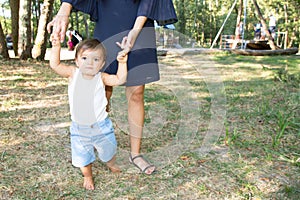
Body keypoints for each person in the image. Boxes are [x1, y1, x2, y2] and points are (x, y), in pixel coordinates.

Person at [47, 0, 177, 175]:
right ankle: (92, 141)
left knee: (137, 93)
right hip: (109, 15)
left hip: (140, 20)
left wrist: (135, 31)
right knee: (102, 89)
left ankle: (135, 154)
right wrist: (65, 9)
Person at [49, 35, 128, 190]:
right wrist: (56, 46)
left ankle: (111, 164)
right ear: (77, 61)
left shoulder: (102, 78)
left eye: (96, 59)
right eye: (84, 58)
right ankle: (88, 176)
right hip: (80, 128)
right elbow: (55, 65)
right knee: (83, 156)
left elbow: (120, 79)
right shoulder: (73, 73)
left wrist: (122, 63)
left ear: (102, 63)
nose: (90, 63)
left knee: (109, 151)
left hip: (102, 126)